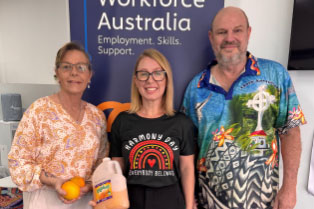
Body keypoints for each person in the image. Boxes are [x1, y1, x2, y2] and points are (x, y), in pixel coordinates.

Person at [182, 6, 306, 209]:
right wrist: (188, 198)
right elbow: (188, 148)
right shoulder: (196, 88)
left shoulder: (274, 75)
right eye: (222, 32)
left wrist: (289, 189)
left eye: (237, 30)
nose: (229, 38)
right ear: (211, 37)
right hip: (207, 203)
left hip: (264, 203)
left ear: (248, 33)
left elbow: (290, 132)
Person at [8, 42, 108, 209]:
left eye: (81, 67)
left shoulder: (96, 116)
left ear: (90, 75)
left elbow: (101, 163)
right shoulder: (39, 111)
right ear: (57, 72)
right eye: (67, 67)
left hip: (86, 202)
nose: (74, 72)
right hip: (45, 201)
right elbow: (17, 163)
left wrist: (90, 186)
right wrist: (52, 181)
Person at [109, 48, 196, 209]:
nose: (150, 80)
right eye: (143, 73)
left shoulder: (182, 123)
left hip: (170, 200)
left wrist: (189, 206)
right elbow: (115, 170)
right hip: (130, 200)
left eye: (157, 73)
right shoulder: (122, 122)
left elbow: (187, 168)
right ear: (135, 80)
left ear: (166, 79)